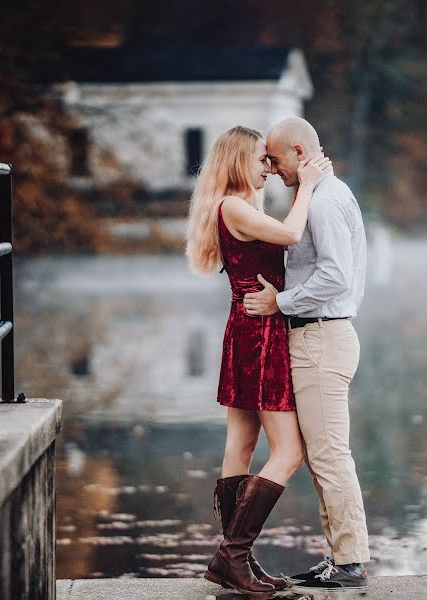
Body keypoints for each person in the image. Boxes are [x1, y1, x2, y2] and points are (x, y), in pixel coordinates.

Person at [185, 125, 331, 597]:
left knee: (241, 445)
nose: (267, 167)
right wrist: (307, 186)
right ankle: (232, 555)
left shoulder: (239, 208)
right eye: (259, 159)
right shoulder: (233, 207)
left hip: (247, 328)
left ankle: (237, 557)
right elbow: (291, 234)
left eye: (270, 160)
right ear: (236, 162)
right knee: (289, 452)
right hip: (260, 333)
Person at [243, 117, 370, 591]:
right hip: (319, 336)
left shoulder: (324, 202)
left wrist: (280, 302)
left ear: (299, 151)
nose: (272, 169)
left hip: (321, 337)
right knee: (322, 456)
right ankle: (340, 556)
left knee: (331, 456)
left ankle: (351, 564)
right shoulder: (321, 195)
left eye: (275, 160)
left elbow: (335, 276)